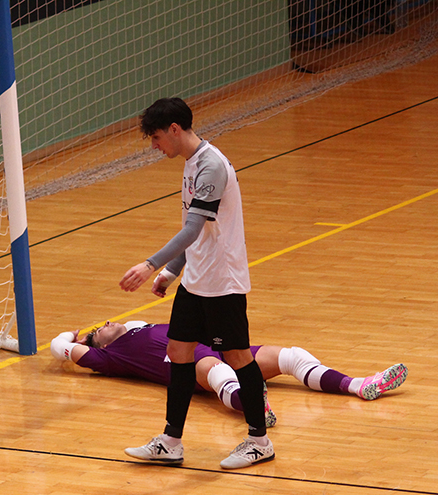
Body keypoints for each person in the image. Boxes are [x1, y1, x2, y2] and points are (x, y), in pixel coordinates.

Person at [118, 97, 270, 469]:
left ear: (174, 129)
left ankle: (259, 441)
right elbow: (198, 233)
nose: (155, 146)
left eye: (156, 138)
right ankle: (171, 442)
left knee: (237, 357)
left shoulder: (211, 166)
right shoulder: (191, 163)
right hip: (196, 279)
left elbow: (191, 228)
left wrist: (151, 265)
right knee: (178, 352)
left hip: (222, 282)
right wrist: (173, 272)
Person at [50, 321, 408, 428]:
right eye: (99, 329)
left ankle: (359, 385)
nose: (107, 323)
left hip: (219, 346)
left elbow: (129, 320)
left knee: (291, 356)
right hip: (188, 364)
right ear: (97, 344)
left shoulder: (135, 328)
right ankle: (252, 406)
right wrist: (75, 336)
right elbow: (58, 347)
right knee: (217, 372)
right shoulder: (111, 357)